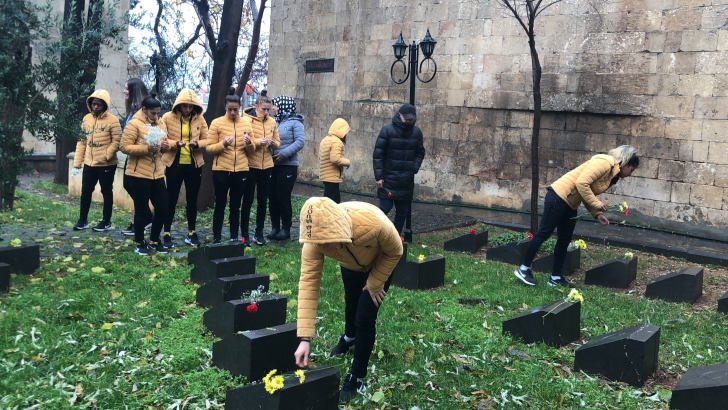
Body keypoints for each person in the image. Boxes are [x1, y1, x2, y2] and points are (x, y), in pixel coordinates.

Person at [293, 197, 403, 401]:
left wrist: (374, 283)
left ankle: (357, 375)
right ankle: (349, 339)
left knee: (364, 316)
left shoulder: (374, 224)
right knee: (352, 302)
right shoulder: (314, 242)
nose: (323, 249)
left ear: (338, 229)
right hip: (351, 265)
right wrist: (304, 338)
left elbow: (396, 250)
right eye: (319, 244)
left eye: (326, 243)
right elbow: (309, 282)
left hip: (380, 262)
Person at [514, 145, 640, 288]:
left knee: (564, 239)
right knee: (544, 233)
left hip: (570, 203)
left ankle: (555, 277)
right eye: (632, 169)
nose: (631, 173)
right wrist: (597, 203)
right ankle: (524, 269)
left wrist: (596, 214)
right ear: (626, 163)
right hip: (558, 196)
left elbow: (587, 192)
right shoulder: (605, 162)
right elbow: (581, 183)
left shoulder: (612, 175)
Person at [119, 96, 170, 255]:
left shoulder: (161, 123)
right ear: (144, 109)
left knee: (163, 208)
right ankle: (140, 241)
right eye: (153, 113)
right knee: (141, 210)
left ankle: (155, 239)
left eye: (158, 113)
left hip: (157, 173)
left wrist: (166, 147)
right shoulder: (134, 124)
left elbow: (164, 147)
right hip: (138, 173)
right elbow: (124, 147)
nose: (156, 116)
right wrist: (146, 149)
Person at [206, 87, 255, 243]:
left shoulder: (246, 123)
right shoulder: (217, 123)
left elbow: (252, 150)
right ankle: (217, 237)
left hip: (240, 170)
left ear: (239, 107)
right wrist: (223, 145)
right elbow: (209, 148)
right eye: (230, 110)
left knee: (235, 206)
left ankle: (234, 236)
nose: (233, 113)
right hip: (221, 170)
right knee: (220, 204)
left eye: (235, 110)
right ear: (225, 107)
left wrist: (248, 144)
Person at [160, 89, 209, 248]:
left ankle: (191, 232)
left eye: (190, 106)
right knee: (171, 198)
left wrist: (198, 144)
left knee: (192, 200)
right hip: (174, 163)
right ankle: (166, 232)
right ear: (179, 105)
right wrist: (175, 144)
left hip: (194, 164)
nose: (188, 109)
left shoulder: (200, 119)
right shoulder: (167, 117)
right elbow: (162, 139)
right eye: (185, 106)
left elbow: (207, 140)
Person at [72, 89, 122, 232]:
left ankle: (106, 221)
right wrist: (77, 163)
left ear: (105, 105)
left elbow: (117, 141)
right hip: (89, 163)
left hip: (107, 164)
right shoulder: (86, 119)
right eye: (93, 104)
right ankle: (82, 220)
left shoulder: (113, 120)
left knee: (107, 191)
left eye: (99, 104)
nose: (95, 107)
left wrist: (106, 155)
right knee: (86, 191)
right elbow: (82, 141)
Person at [373, 103, 426, 234]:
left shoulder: (417, 132)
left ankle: (395, 238)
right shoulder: (387, 130)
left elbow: (420, 152)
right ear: (399, 115)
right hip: (388, 178)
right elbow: (378, 154)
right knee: (384, 208)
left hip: (406, 180)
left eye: (411, 118)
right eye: (406, 118)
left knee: (402, 211)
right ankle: (376, 233)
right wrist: (379, 176)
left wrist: (414, 167)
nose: (409, 120)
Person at [241, 90, 280, 245]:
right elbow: (245, 140)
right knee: (248, 200)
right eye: (263, 109)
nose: (266, 112)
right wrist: (258, 142)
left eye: (268, 109)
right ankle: (245, 234)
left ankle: (259, 232)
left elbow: (278, 141)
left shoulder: (271, 121)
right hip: (251, 165)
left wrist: (272, 143)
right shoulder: (247, 120)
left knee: (263, 200)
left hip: (267, 165)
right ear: (256, 106)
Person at [266, 95, 305, 241]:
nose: (273, 108)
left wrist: (283, 154)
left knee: (283, 197)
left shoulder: (296, 123)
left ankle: (286, 228)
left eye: (275, 105)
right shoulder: (275, 122)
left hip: (288, 165)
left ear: (283, 106)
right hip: (273, 165)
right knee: (272, 196)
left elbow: (300, 141)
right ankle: (275, 227)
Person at [120, 78, 153, 236]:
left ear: (134, 90)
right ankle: (146, 216)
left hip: (142, 155)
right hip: (131, 153)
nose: (124, 91)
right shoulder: (132, 110)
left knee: (137, 188)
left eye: (127, 89)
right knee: (128, 185)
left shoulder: (143, 112)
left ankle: (143, 220)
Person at [318, 118, 351, 204]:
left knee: (333, 201)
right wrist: (347, 162)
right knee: (331, 203)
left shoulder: (325, 140)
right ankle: (325, 217)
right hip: (332, 177)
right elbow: (335, 159)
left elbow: (320, 156)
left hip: (325, 175)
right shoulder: (336, 142)